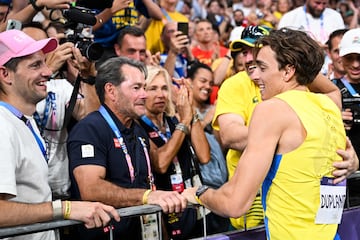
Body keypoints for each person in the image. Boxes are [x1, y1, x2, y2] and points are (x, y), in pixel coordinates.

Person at [183, 28, 348, 239]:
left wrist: (198, 194)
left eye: (262, 67)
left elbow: (235, 203)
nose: (254, 74)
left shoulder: (272, 109)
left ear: (288, 71)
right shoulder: (329, 105)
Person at [0, 29, 120, 240]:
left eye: (44, 62)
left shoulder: (22, 120)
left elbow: (93, 121)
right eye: (35, 65)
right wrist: (64, 209)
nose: (48, 72)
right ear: (5, 74)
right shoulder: (2, 126)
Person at [67, 57, 187, 240]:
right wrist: (147, 197)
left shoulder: (137, 129)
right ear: (111, 91)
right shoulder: (89, 129)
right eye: (136, 88)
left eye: (144, 88)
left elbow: (148, 185)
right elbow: (90, 188)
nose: (145, 95)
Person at [138, 65, 210, 239]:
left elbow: (204, 156)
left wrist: (190, 110)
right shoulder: (137, 126)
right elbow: (161, 164)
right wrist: (184, 121)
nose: (161, 94)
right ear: (141, 92)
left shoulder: (175, 121)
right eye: (153, 88)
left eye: (164, 88)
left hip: (191, 205)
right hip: (164, 210)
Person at [333, 28, 360, 160]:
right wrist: (334, 119)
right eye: (349, 58)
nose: (355, 64)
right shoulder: (331, 88)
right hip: (343, 165)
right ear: (341, 58)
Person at [277, 0, 344, 46]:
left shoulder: (335, 16)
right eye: (317, 3)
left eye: (324, 3)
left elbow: (341, 41)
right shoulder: (290, 17)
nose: (320, 7)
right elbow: (281, 42)